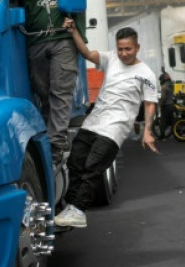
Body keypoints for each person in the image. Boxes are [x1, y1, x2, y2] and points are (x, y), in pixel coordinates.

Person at [15, 0, 134, 168]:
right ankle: (50, 141)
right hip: (36, 42)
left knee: (60, 94)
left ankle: (56, 147)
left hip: (64, 40)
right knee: (44, 95)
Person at [54, 24, 159, 228]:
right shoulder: (110, 58)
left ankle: (78, 209)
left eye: (128, 49)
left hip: (115, 128)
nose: (123, 53)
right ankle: (71, 207)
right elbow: (85, 52)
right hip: (94, 122)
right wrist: (74, 31)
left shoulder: (146, 73)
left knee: (93, 167)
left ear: (137, 47)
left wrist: (147, 132)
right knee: (75, 161)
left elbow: (149, 104)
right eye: (120, 48)